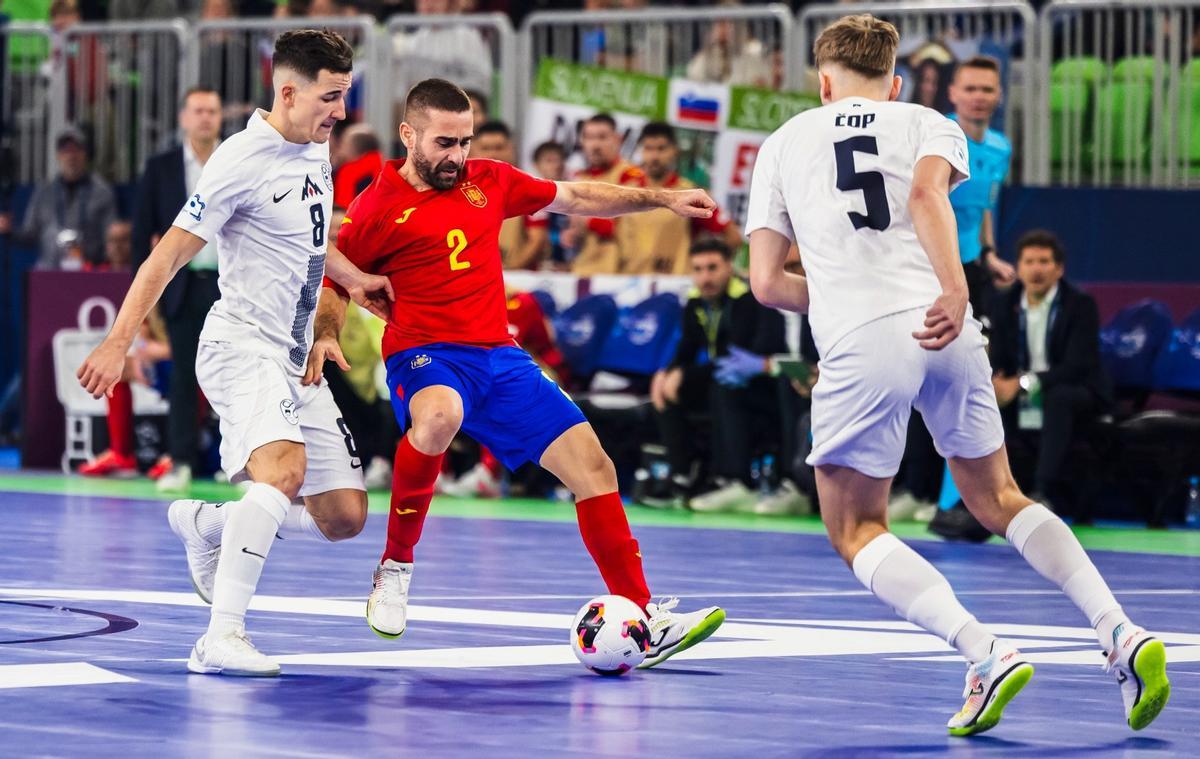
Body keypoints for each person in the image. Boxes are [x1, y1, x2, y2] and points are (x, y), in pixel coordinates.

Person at [747, 14, 1168, 736]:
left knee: (855, 526)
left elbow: (765, 284)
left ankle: (986, 651)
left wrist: (846, 296)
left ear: (823, 81)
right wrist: (955, 290)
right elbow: (926, 197)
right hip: (949, 323)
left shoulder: (783, 143)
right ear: (896, 80)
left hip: (862, 336)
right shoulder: (930, 121)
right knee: (1000, 494)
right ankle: (1121, 630)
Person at [315, 78, 726, 668]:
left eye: (465, 141)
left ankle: (642, 615)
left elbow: (578, 197)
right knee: (441, 415)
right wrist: (328, 331)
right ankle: (395, 567)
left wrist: (660, 199)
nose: (457, 156)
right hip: (424, 352)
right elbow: (338, 278)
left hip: (498, 357)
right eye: (443, 143)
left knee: (594, 466)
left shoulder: (490, 179)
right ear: (408, 135)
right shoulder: (378, 205)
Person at [77, 29, 394, 678]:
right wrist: (118, 338)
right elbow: (165, 253)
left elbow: (304, 237)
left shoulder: (316, 142)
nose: (341, 112)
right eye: (331, 97)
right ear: (287, 91)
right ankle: (219, 636)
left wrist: (354, 280)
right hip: (240, 345)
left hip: (294, 354)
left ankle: (208, 523)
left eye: (345, 96)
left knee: (344, 515)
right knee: (281, 473)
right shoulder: (239, 159)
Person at [132, 86, 224, 491]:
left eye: (212, 111)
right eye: (198, 111)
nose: (205, 117)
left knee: (234, 375)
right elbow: (141, 233)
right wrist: (146, 299)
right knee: (185, 376)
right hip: (182, 286)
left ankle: (235, 462)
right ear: (184, 118)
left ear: (221, 117)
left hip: (231, 284)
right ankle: (182, 461)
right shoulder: (162, 167)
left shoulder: (236, 159)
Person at [649, 238, 786, 510]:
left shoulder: (747, 299)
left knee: (718, 388)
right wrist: (668, 372)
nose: (705, 277)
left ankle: (736, 481)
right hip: (718, 376)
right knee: (663, 390)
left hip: (761, 384)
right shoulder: (695, 301)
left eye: (712, 268)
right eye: (697, 269)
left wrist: (683, 377)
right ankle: (681, 478)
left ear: (729, 267)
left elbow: (733, 356)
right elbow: (687, 346)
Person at [989, 230, 1111, 514]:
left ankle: (1042, 491)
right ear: (1018, 268)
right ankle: (987, 494)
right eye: (1029, 262)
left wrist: (1020, 383)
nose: (1036, 269)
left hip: (1079, 390)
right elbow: (1000, 358)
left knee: (1058, 396)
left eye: (1044, 261)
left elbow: (1078, 365)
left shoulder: (1080, 305)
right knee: (986, 400)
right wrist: (996, 383)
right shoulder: (1005, 305)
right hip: (1025, 388)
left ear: (1059, 269)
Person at [617, 122, 739, 275]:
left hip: (675, 286)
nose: (654, 156)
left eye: (661, 149)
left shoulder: (690, 193)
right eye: (648, 148)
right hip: (627, 285)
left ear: (674, 150)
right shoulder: (626, 191)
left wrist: (712, 272)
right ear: (641, 151)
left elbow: (732, 236)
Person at [947, 55, 1016, 321]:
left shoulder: (1001, 147)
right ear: (953, 93)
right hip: (931, 266)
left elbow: (986, 206)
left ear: (999, 95)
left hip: (972, 264)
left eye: (987, 89)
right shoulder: (935, 135)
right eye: (970, 88)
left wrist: (990, 255)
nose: (979, 97)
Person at [0, 126, 116, 269]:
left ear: (85, 154)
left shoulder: (102, 191)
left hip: (89, 273)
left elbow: (111, 237)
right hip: (49, 272)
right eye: (66, 150)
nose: (71, 156)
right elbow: (30, 234)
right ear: (58, 155)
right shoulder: (44, 191)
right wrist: (9, 231)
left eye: (76, 150)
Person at [566, 113, 643, 275]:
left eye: (602, 137)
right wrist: (572, 234)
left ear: (617, 139)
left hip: (620, 272)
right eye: (588, 137)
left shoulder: (631, 175)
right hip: (582, 269)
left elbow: (626, 227)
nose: (595, 145)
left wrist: (586, 219)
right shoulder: (577, 177)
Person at [473, 120, 550, 269]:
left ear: (512, 148)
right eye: (486, 148)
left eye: (499, 147)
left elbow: (537, 240)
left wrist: (510, 272)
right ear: (473, 151)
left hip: (519, 280)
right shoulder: (463, 190)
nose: (492, 154)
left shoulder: (531, 186)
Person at [332, 123, 383, 209]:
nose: (339, 149)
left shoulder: (349, 174)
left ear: (355, 149)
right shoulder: (384, 169)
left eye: (343, 144)